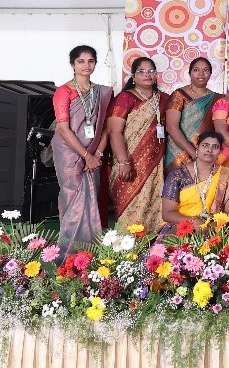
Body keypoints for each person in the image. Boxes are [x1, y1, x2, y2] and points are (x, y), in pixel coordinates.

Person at [52, 45, 113, 246]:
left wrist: (98, 154)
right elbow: (63, 129)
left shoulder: (102, 92)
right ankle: (69, 246)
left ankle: (90, 246)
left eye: (90, 61)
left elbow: (105, 128)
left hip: (95, 152)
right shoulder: (64, 91)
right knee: (72, 194)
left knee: (92, 194)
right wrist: (87, 156)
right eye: (81, 61)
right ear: (73, 64)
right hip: (69, 152)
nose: (86, 65)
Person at [106, 56, 167, 233]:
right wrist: (123, 162)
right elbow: (114, 132)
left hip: (156, 165)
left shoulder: (164, 99)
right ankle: (127, 245)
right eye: (142, 71)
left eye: (151, 71)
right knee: (130, 210)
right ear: (133, 76)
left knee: (155, 207)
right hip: (129, 162)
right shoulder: (125, 98)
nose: (147, 75)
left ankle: (153, 245)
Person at [160, 131, 229, 229]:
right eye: (205, 145)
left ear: (219, 152)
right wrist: (194, 221)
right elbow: (167, 214)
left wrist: (212, 227)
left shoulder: (227, 176)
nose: (209, 150)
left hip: (214, 228)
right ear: (197, 148)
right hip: (181, 227)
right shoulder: (177, 175)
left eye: (215, 147)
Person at [164, 57, 218, 171]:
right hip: (178, 153)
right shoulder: (179, 95)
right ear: (190, 73)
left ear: (210, 74)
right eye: (196, 70)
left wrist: (202, 155)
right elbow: (171, 128)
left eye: (205, 70)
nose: (201, 74)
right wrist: (194, 154)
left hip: (206, 153)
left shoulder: (217, 98)